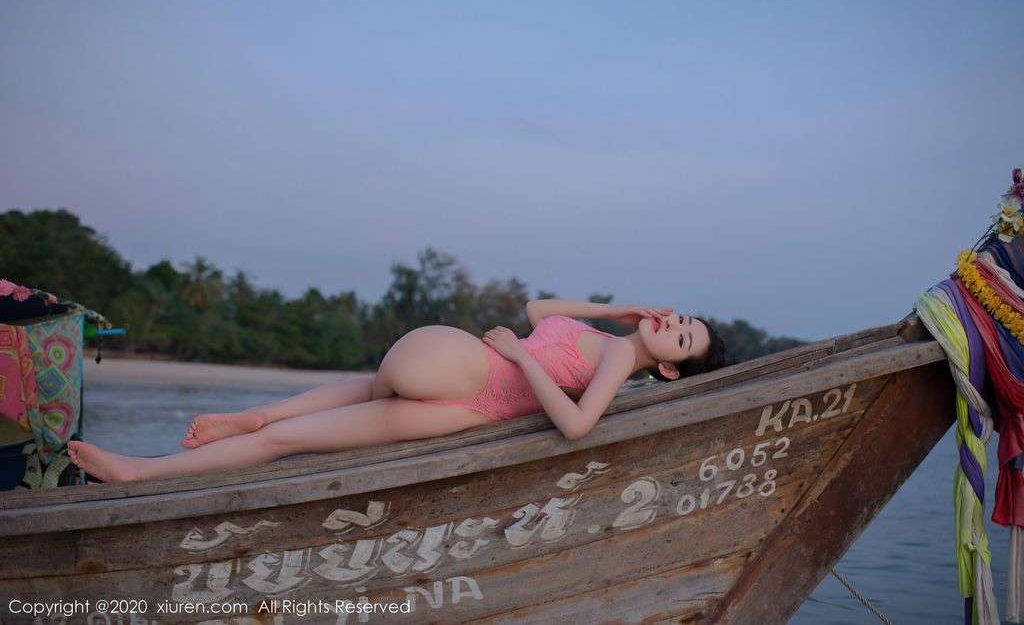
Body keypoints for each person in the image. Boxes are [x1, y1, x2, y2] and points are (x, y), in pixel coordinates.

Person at [68, 298, 728, 483]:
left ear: (670, 370)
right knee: (287, 441)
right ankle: (145, 468)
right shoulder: (607, 334)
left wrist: (519, 358)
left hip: (475, 386)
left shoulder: (618, 358)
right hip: (462, 397)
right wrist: (618, 307)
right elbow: (536, 310)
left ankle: (152, 464)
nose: (672, 326)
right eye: (682, 319)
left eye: (682, 340)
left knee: (313, 420)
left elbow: (577, 425)